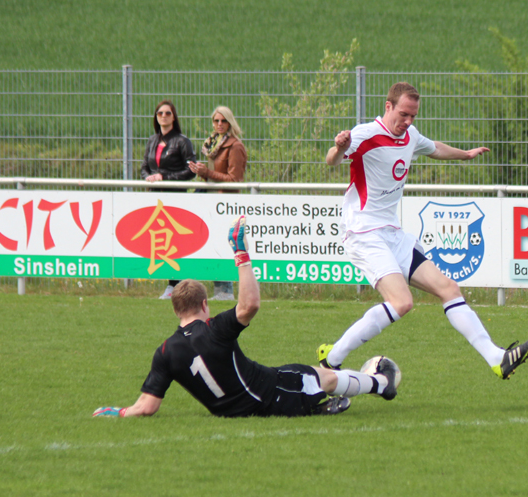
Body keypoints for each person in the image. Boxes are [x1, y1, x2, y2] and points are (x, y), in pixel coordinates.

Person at [320, 82, 528, 380]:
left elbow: (434, 148)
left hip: (393, 234)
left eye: (413, 116)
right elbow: (332, 160)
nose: (408, 121)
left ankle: (497, 358)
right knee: (402, 302)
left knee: (449, 288)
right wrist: (340, 146)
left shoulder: (410, 135)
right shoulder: (365, 134)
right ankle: (331, 360)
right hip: (364, 232)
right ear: (388, 106)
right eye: (404, 114)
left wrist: (466, 155)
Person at [93, 216, 399, 419]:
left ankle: (322, 401)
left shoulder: (165, 352)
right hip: (268, 396)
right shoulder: (213, 330)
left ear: (175, 310)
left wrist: (117, 412)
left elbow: (146, 407)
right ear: (204, 304)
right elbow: (249, 304)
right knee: (323, 376)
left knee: (299, 372)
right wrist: (241, 255)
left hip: (236, 408)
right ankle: (380, 383)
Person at [189, 105, 249, 301]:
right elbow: (216, 176)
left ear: (230, 122)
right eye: (216, 121)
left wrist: (207, 173)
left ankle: (226, 289)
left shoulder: (235, 146)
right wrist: (201, 172)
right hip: (212, 198)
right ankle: (219, 288)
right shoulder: (213, 145)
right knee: (212, 242)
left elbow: (235, 179)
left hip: (227, 201)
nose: (219, 124)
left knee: (225, 244)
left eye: (223, 121)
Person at [140, 100, 197, 300]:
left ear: (174, 116)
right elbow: (144, 167)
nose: (163, 116)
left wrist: (164, 176)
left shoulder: (182, 141)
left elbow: (191, 171)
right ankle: (173, 284)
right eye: (160, 113)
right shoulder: (152, 140)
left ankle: (177, 286)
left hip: (176, 197)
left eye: (167, 113)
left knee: (176, 241)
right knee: (162, 240)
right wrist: (148, 177)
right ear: (156, 117)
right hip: (157, 199)